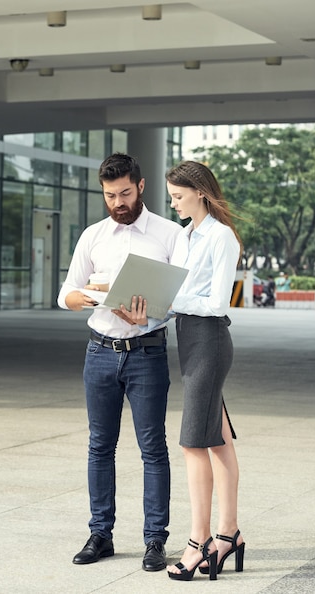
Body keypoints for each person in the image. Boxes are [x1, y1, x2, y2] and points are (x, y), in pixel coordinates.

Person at [119, 160, 246, 582]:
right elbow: (178, 301)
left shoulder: (221, 237)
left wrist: (171, 301)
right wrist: (148, 315)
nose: (172, 203)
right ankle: (229, 534)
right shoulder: (188, 236)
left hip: (209, 341)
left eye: (177, 196)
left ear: (200, 193)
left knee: (194, 442)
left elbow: (217, 303)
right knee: (219, 438)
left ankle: (199, 543)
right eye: (171, 197)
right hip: (189, 341)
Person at [57, 152, 181, 571]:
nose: (117, 202)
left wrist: (152, 313)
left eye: (124, 193)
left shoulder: (168, 235)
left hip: (147, 352)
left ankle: (154, 540)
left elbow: (177, 300)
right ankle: (100, 534)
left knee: (152, 449)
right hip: (99, 352)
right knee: (99, 447)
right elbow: (67, 293)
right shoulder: (93, 236)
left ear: (141, 187)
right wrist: (93, 297)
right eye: (110, 195)